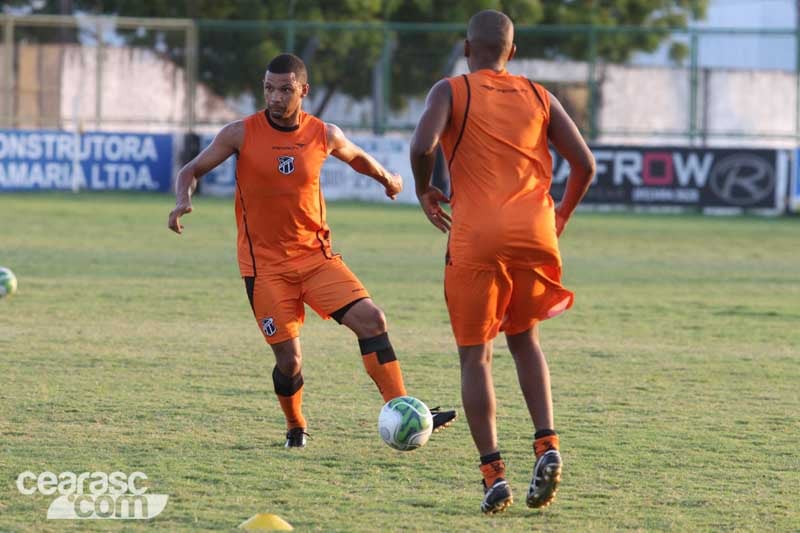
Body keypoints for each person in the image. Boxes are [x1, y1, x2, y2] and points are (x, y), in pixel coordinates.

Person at [169, 53, 456, 449]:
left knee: (372, 320)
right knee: (290, 363)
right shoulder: (241, 133)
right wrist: (183, 199)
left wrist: (388, 178)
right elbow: (191, 170)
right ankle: (295, 425)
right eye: (269, 88)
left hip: (316, 259)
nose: (275, 97)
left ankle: (402, 408)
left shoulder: (324, 133)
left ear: (303, 91)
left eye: (285, 89)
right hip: (265, 268)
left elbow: (356, 157)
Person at [410, 10, 595, 514]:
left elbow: (423, 145)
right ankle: (547, 445)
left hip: (477, 235)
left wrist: (427, 190)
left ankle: (494, 475)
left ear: (467, 49)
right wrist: (558, 217)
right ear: (511, 52)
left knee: (476, 356)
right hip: (534, 231)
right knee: (525, 339)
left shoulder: (450, 90)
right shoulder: (539, 95)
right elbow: (585, 165)